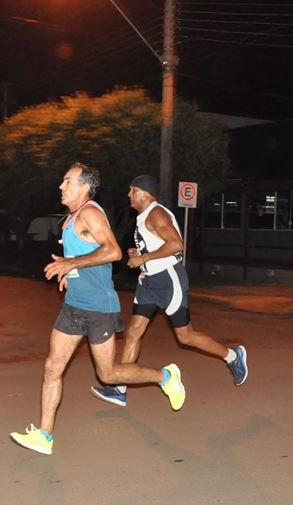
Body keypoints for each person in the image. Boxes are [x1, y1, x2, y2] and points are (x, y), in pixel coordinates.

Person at [10, 163, 185, 455]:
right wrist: (68, 271)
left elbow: (113, 251)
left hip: (99, 309)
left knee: (108, 374)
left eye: (67, 181)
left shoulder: (90, 212)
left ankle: (165, 377)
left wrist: (71, 264)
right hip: (73, 306)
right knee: (53, 367)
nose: (61, 186)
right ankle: (44, 435)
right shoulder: (70, 220)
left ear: (84, 186)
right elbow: (85, 256)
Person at [90, 175, 248, 408]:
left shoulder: (156, 213)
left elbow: (176, 244)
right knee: (133, 332)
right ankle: (119, 389)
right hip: (149, 282)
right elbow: (157, 243)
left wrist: (144, 257)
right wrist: (140, 254)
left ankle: (233, 357)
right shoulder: (144, 217)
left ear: (145, 193)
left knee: (186, 336)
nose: (129, 195)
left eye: (132, 190)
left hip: (168, 280)